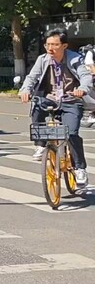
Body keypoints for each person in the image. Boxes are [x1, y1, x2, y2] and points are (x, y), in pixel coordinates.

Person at [19, 28, 91, 187]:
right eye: (48, 44)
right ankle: (40, 144)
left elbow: (85, 76)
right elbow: (32, 77)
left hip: (71, 100)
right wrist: (25, 91)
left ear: (64, 46)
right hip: (50, 98)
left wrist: (83, 89)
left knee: (71, 133)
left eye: (55, 45)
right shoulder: (43, 59)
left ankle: (80, 169)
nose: (50, 48)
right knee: (37, 105)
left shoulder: (75, 59)